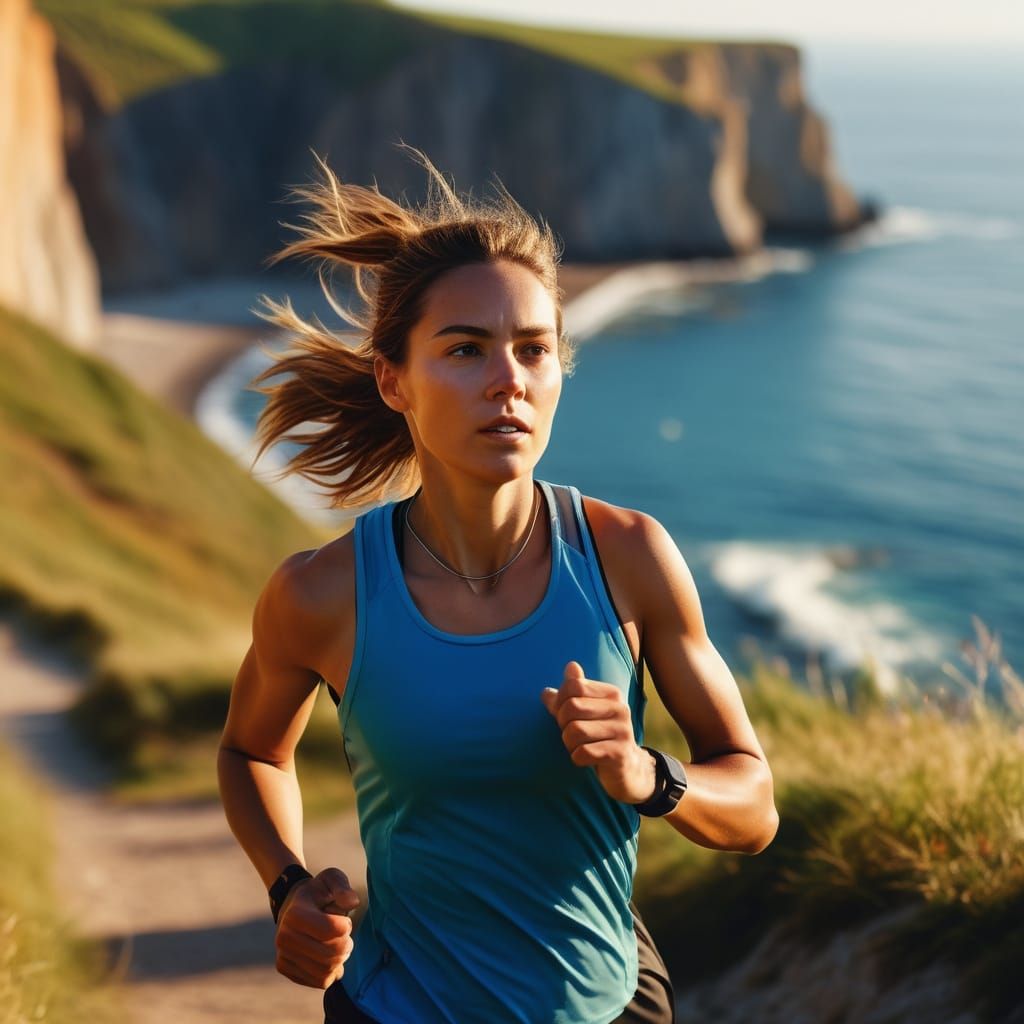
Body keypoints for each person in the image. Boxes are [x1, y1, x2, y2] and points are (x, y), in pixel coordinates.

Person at [216, 145, 779, 1024]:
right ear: (394, 380)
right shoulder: (323, 594)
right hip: (395, 1007)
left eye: (533, 350)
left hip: (609, 1006)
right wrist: (287, 885)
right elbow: (250, 752)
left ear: (559, 372)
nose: (508, 381)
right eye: (467, 350)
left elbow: (753, 806)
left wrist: (646, 774)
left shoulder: (628, 556)